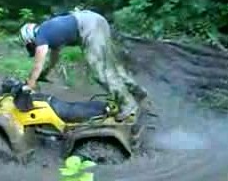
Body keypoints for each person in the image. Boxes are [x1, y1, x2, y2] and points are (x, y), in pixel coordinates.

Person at [19, 8, 149, 121]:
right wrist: (45, 73)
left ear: (30, 38)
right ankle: (137, 92)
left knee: (101, 72)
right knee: (112, 67)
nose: (33, 47)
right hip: (94, 21)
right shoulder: (49, 32)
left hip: (90, 27)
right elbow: (54, 59)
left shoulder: (41, 35)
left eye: (31, 45)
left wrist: (30, 85)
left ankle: (129, 106)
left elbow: (37, 65)